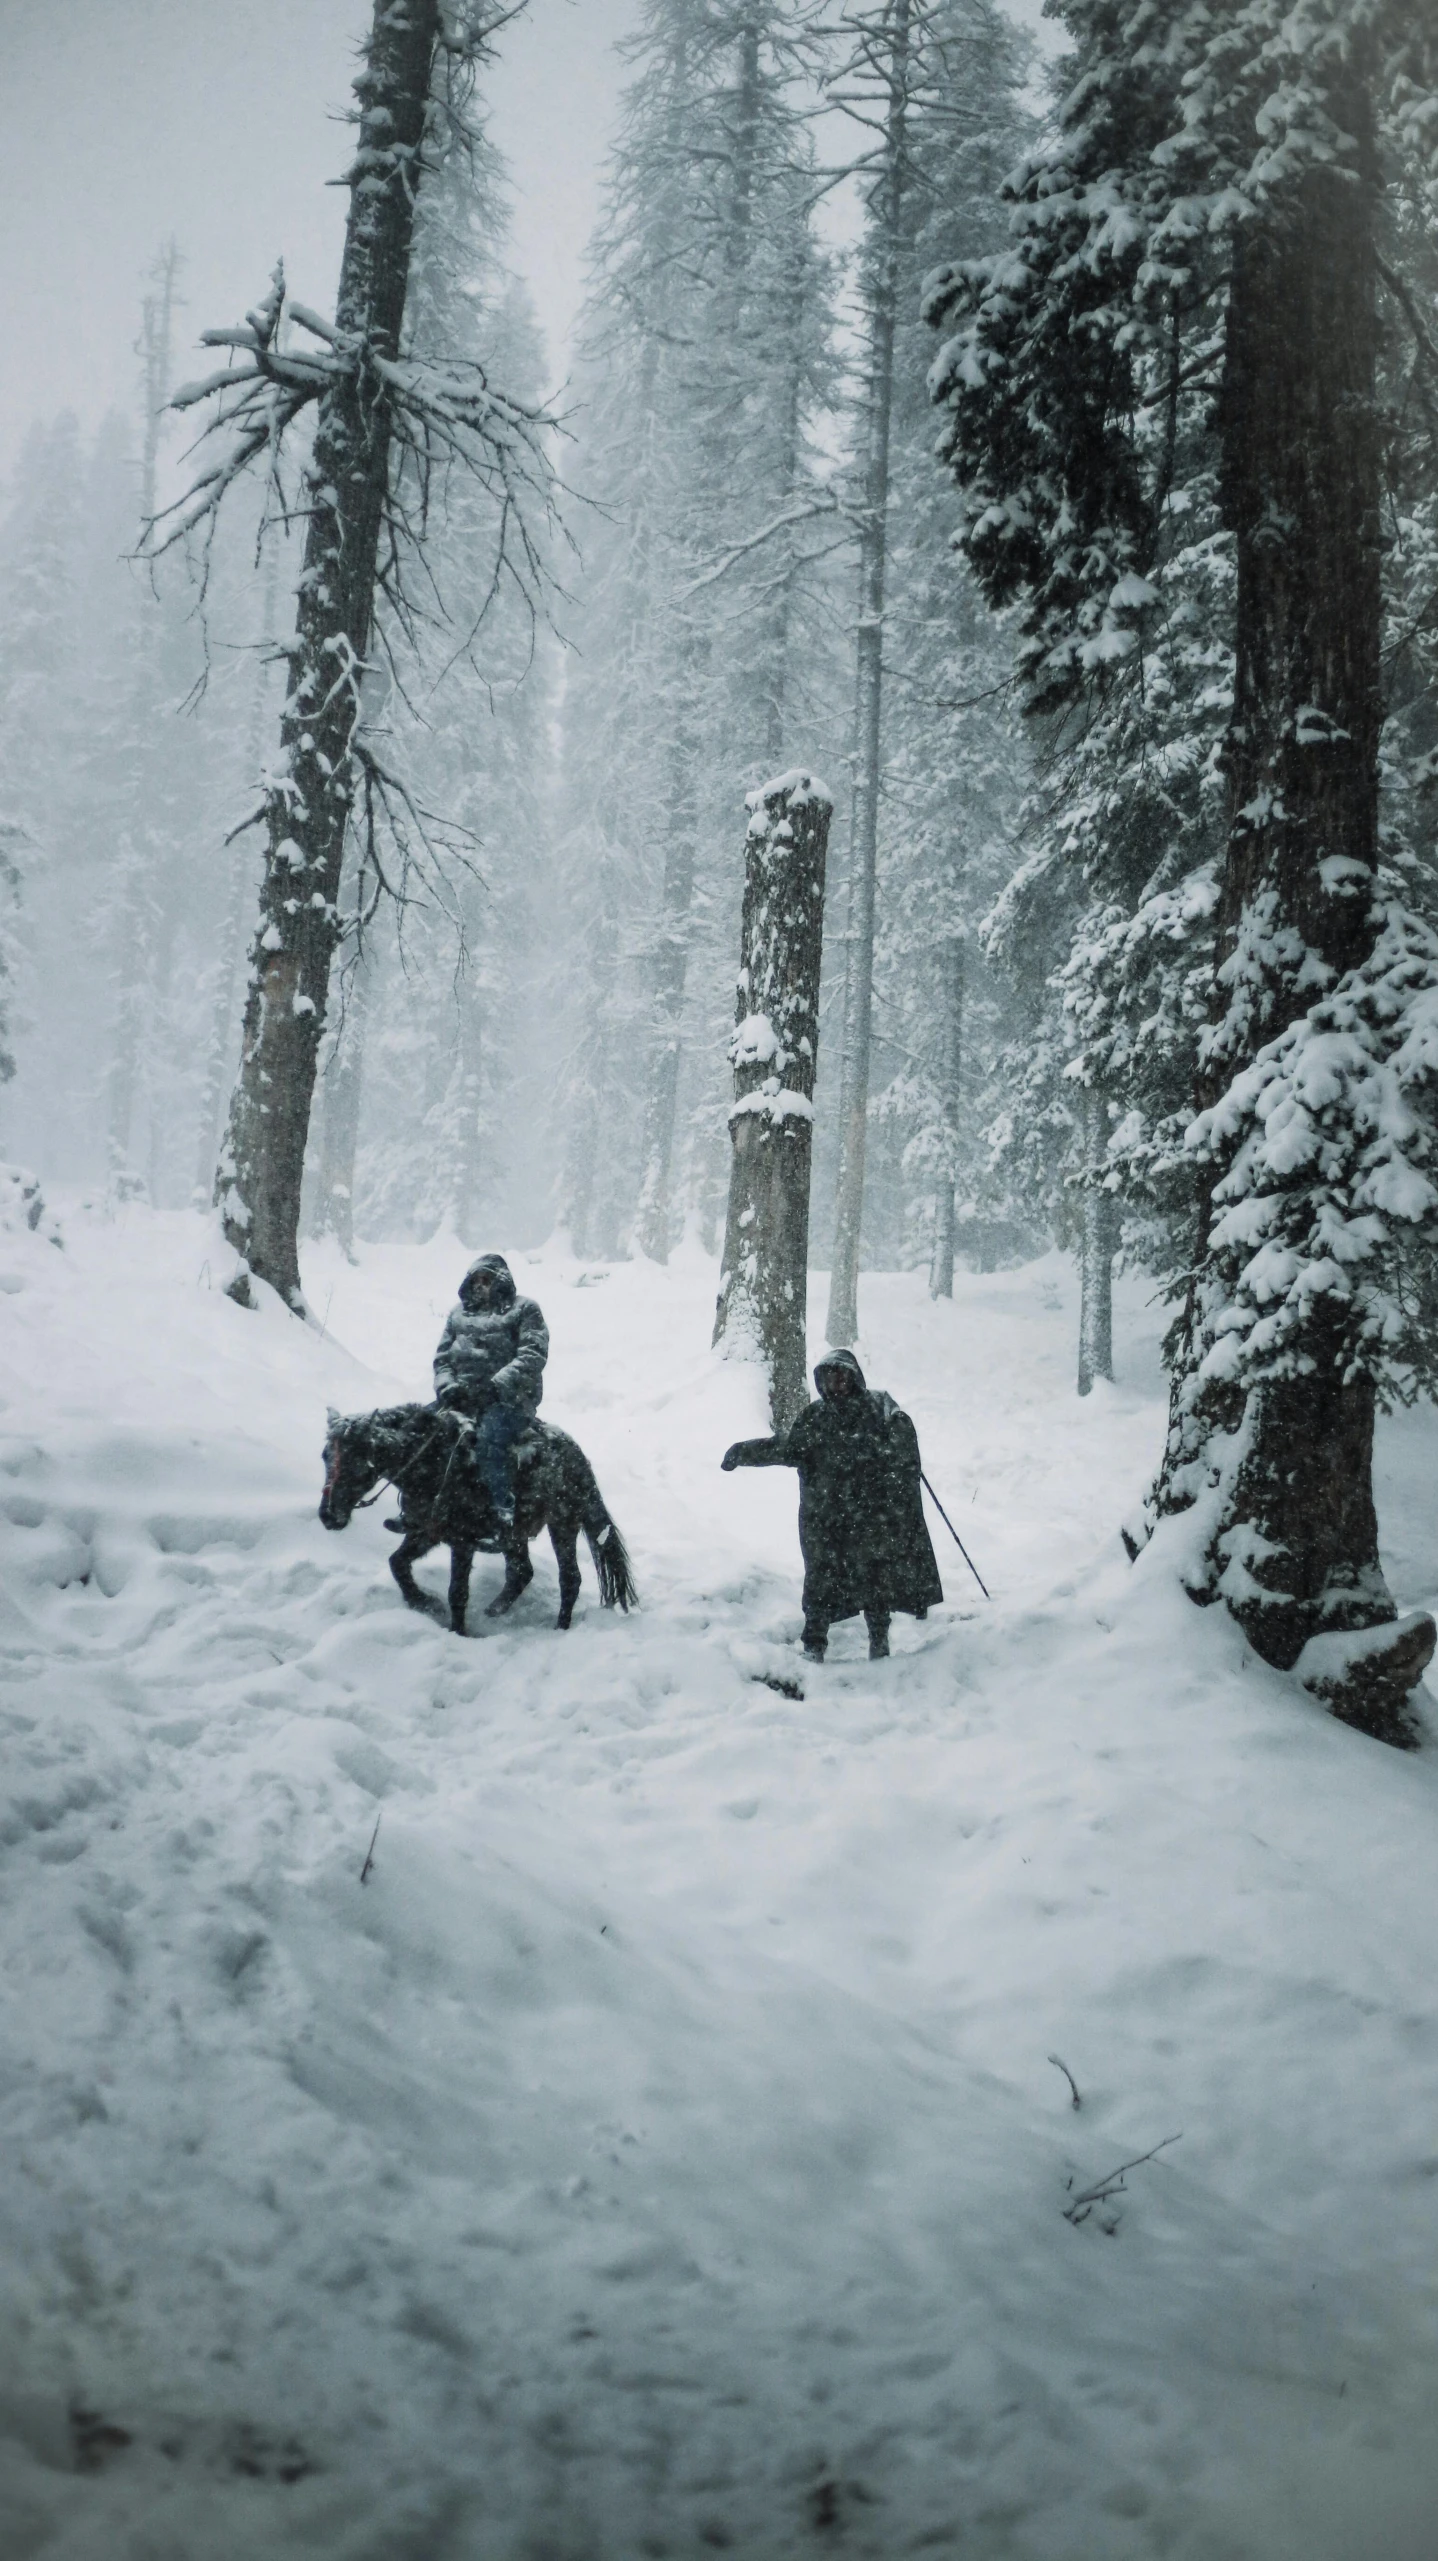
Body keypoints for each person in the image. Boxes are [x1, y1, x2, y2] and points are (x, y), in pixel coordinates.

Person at [721, 1349, 942, 1661]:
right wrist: (743, 1452)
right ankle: (814, 1645)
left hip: (867, 1517)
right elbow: (787, 1447)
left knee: (874, 1579)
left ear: (853, 1377)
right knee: (820, 1581)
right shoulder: (815, 1417)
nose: (834, 1381)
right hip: (823, 1519)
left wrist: (899, 1432)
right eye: (827, 1376)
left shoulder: (875, 1411)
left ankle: (879, 1642)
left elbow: (899, 1454)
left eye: (840, 1374)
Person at [433, 1253, 549, 1535]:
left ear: (501, 1282)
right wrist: (448, 1388)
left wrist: (496, 1386)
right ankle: (422, 1509)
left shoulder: (525, 1310)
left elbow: (532, 1355)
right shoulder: (457, 1314)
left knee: (489, 1438)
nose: (480, 1285)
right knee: (422, 1433)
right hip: (462, 1399)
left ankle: (502, 1508)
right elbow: (442, 1359)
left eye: (486, 1279)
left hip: (510, 1401)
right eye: (476, 1280)